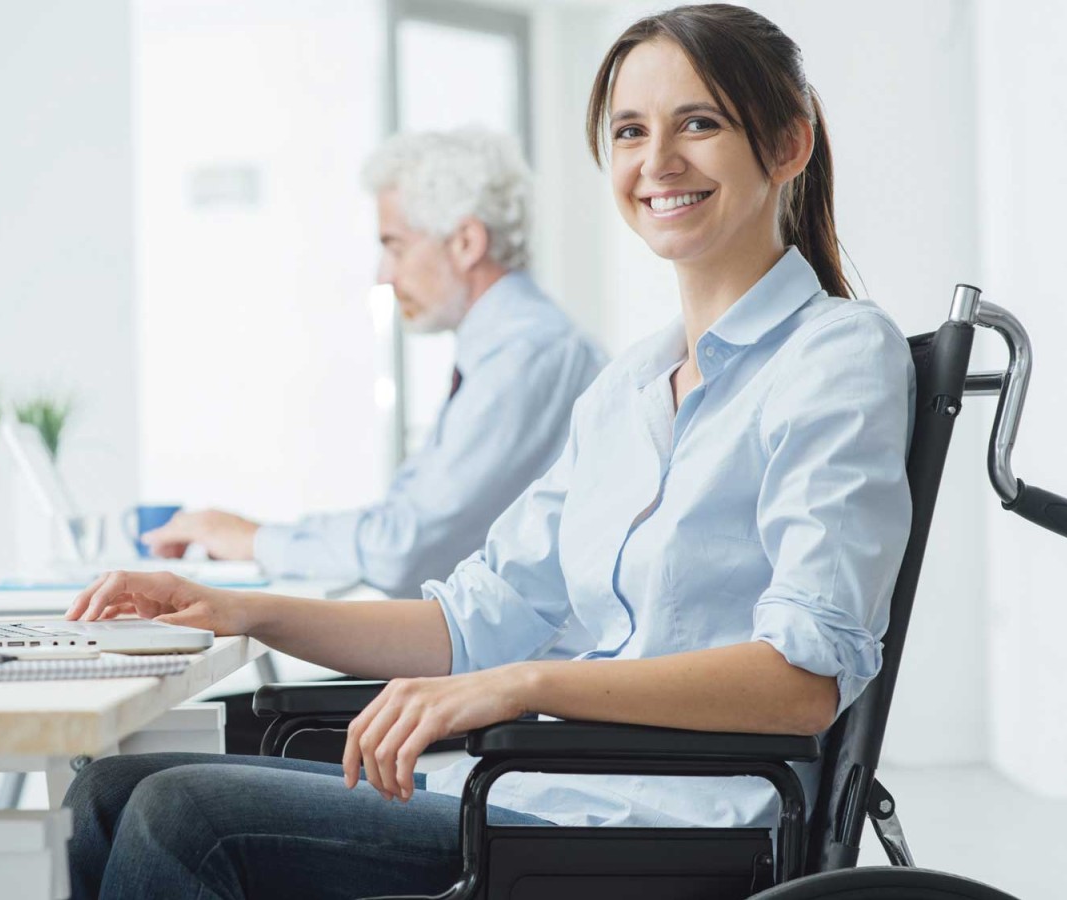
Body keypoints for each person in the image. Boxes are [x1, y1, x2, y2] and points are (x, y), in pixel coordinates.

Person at [61, 5, 917, 898]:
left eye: (698, 123)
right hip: (548, 796)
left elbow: (802, 679)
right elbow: (467, 621)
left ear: (788, 144)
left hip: (668, 830)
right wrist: (239, 608)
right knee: (111, 792)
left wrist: (519, 686)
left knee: (180, 820)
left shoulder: (837, 356)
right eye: (630, 131)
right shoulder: (627, 389)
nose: (658, 160)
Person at [141, 128, 606, 601]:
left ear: (466, 242)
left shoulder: (527, 355)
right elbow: (408, 523)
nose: (383, 275)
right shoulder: (506, 350)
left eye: (396, 246)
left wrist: (254, 540)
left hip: (531, 662)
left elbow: (405, 547)